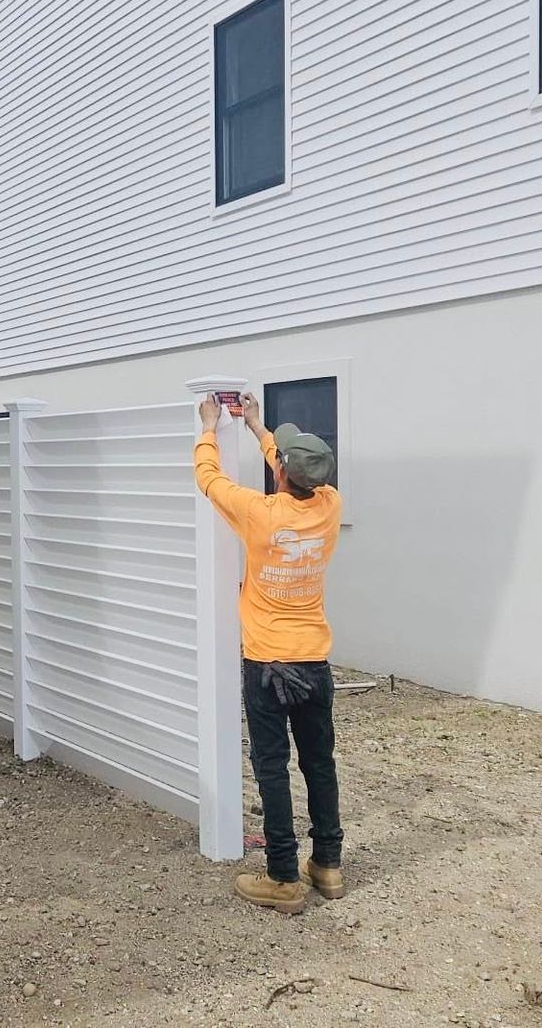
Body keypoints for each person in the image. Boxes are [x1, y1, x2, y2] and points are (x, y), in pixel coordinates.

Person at [194, 391, 344, 914]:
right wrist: (259, 427)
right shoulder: (330, 507)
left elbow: (210, 481)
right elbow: (289, 467)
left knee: (273, 767)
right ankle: (327, 864)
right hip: (314, 664)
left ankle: (283, 878)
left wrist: (210, 428)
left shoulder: (258, 514)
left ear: (282, 474)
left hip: (267, 665)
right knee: (319, 764)